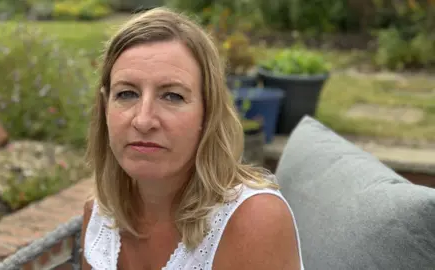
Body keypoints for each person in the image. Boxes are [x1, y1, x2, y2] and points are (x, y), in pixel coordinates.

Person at [81, 7, 304, 270]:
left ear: (207, 114)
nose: (143, 120)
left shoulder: (253, 222)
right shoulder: (100, 215)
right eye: (127, 94)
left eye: (172, 96)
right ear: (106, 106)